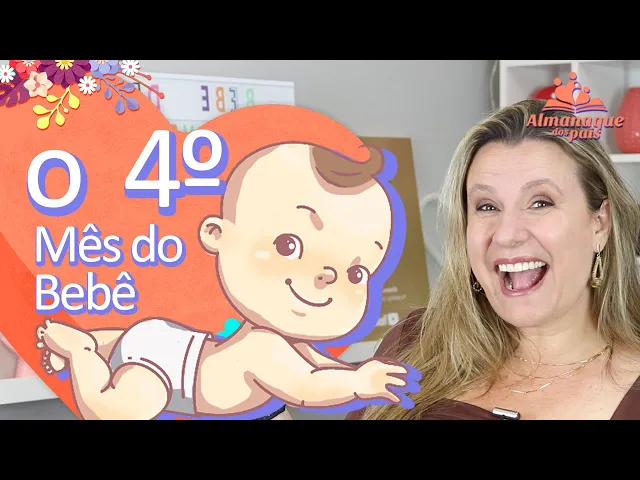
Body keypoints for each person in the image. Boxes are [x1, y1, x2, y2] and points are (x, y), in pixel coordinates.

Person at [34, 143, 411, 420]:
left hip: (173, 342)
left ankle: (97, 341)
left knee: (126, 341)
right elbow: (307, 386)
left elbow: (319, 367)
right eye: (288, 245)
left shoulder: (285, 343)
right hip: (166, 373)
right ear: (217, 234)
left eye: (356, 273)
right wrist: (357, 384)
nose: (326, 277)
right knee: (121, 408)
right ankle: (82, 350)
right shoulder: (265, 349)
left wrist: (354, 374)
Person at [348, 99, 640, 420]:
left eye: (540, 202)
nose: (506, 234)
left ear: (600, 223)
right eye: (487, 206)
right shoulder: (413, 344)